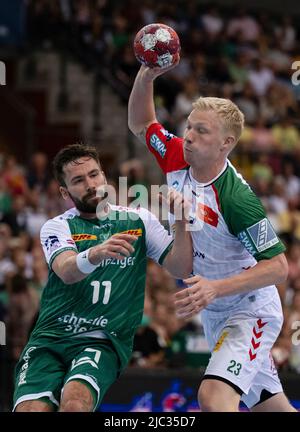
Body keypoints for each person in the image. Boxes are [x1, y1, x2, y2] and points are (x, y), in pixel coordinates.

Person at [128, 62, 296, 412]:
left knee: (213, 396)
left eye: (201, 131)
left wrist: (214, 288)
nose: (188, 135)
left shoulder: (236, 200)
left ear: (226, 143)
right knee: (272, 408)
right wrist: (146, 75)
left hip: (251, 311)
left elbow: (279, 267)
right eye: (189, 126)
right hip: (215, 313)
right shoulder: (177, 156)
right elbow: (141, 123)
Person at [13, 144, 192, 412]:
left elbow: (180, 268)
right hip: (50, 338)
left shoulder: (138, 220)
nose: (90, 184)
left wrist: (180, 222)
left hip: (102, 338)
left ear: (104, 177)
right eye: (78, 180)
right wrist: (96, 253)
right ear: (64, 192)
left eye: (94, 175)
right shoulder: (57, 226)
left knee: (75, 402)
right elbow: (66, 270)